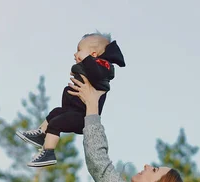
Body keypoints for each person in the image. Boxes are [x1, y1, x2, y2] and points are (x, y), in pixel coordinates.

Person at [16, 32, 125, 167]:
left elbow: (97, 73)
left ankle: (48, 152)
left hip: (83, 117)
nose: (75, 54)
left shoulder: (104, 66)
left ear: (93, 54)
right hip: (73, 110)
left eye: (79, 50)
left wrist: (85, 60)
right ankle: (41, 135)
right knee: (55, 112)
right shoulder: (91, 66)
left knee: (56, 123)